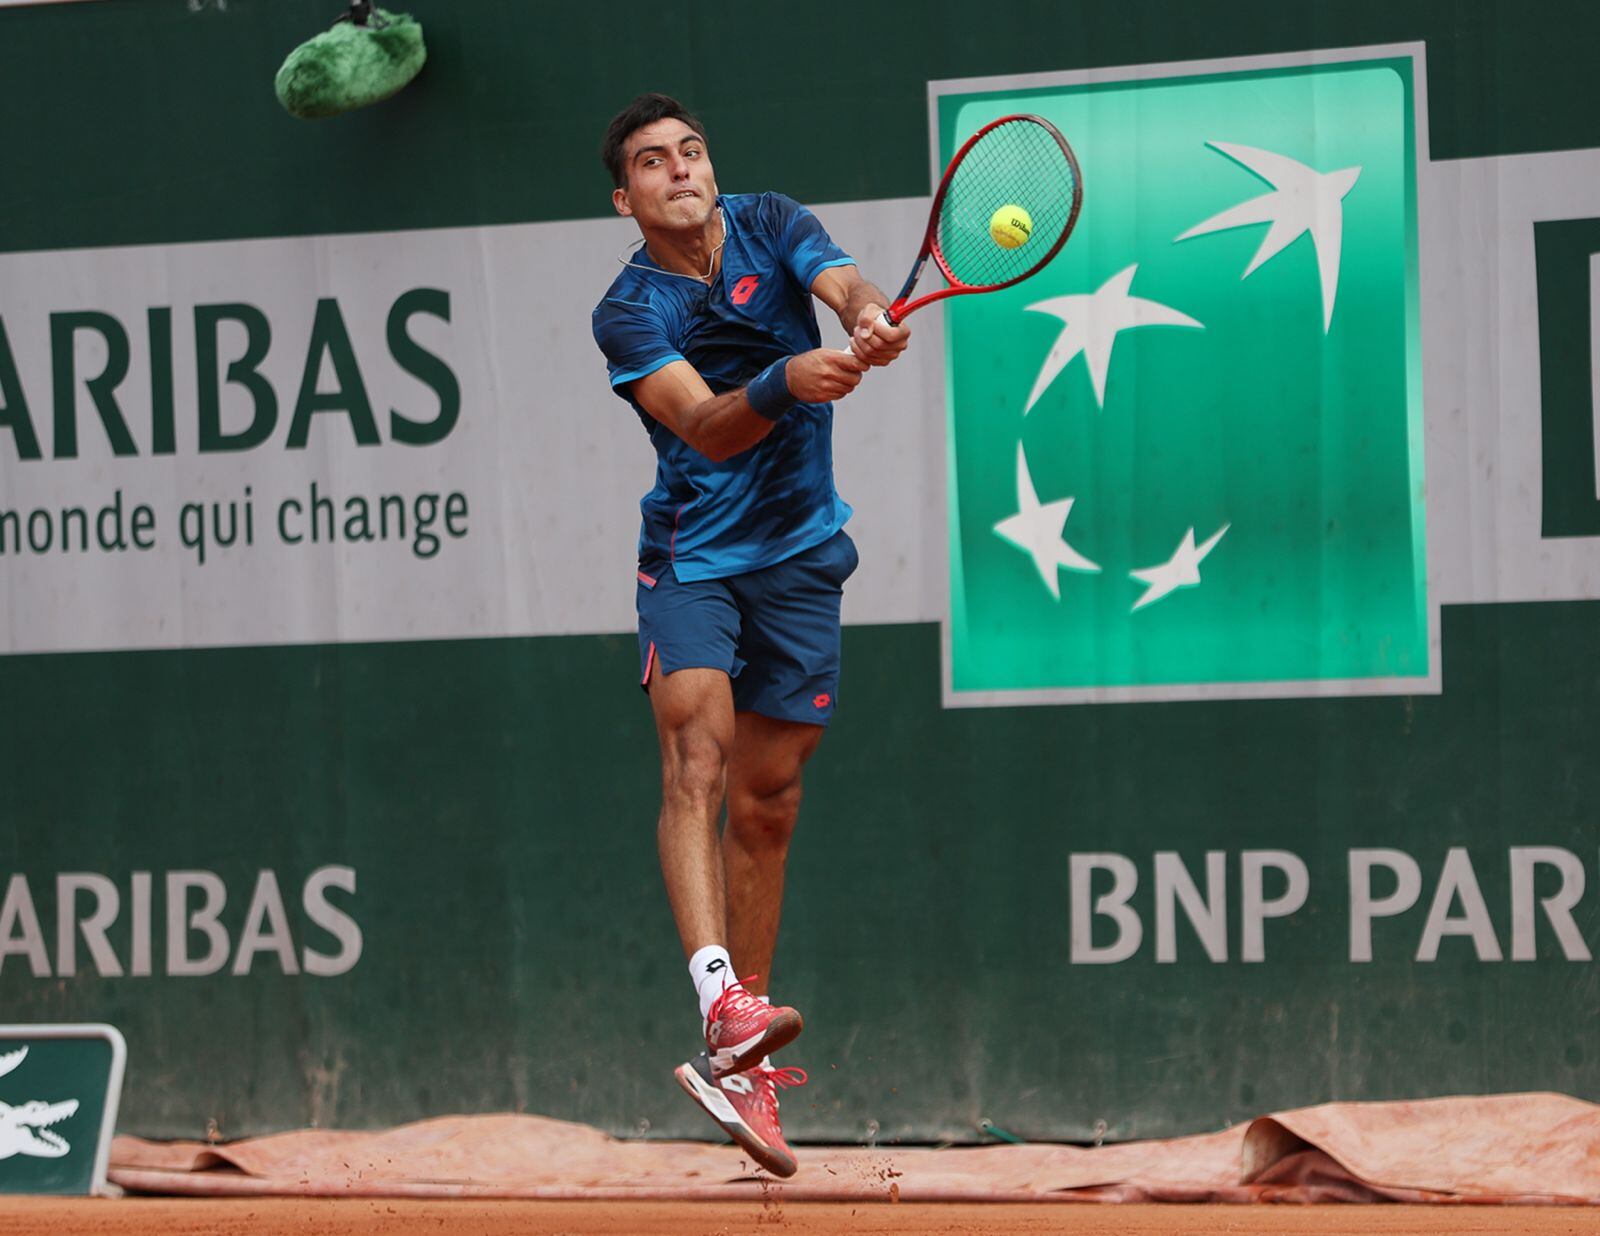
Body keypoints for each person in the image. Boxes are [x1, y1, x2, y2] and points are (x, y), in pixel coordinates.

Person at [591, 93, 910, 1177]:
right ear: (624, 196)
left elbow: (842, 280)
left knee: (769, 800)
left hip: (802, 554)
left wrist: (863, 314)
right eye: (652, 161)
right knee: (700, 760)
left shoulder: (770, 220)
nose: (680, 170)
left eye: (691, 151)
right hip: (695, 560)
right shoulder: (628, 312)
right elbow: (708, 428)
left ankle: (740, 1059)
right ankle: (717, 999)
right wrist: (785, 379)